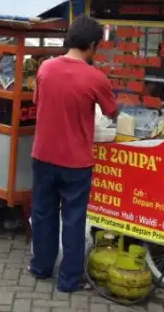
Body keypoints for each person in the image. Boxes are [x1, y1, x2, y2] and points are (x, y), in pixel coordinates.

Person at [29, 15, 118, 293]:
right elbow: (112, 112)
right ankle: (68, 280)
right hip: (76, 162)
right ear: (92, 45)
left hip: (43, 154)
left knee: (43, 213)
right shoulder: (96, 77)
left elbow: (38, 101)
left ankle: (41, 267)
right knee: (74, 218)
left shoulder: (44, 68)